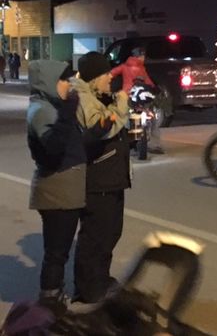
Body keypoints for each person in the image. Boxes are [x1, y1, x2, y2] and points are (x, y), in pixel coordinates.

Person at [26, 60, 85, 316]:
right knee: (57, 251)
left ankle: (53, 296)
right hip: (57, 191)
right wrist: (68, 112)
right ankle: (50, 302)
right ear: (50, 82)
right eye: (64, 81)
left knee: (58, 250)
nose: (69, 85)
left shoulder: (51, 107)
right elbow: (53, 150)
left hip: (64, 189)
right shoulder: (42, 110)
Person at [71, 51, 131, 306]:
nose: (110, 76)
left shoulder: (95, 94)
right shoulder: (83, 98)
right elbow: (101, 129)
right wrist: (122, 101)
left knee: (110, 233)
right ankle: (88, 289)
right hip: (98, 177)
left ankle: (100, 279)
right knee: (96, 236)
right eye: (106, 73)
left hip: (111, 175)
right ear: (95, 77)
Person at [110, 46, 163, 154]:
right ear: (139, 56)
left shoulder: (125, 66)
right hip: (141, 97)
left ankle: (124, 141)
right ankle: (155, 144)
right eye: (142, 56)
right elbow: (148, 82)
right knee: (154, 117)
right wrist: (155, 89)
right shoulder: (141, 68)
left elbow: (111, 74)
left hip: (128, 97)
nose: (144, 58)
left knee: (124, 118)